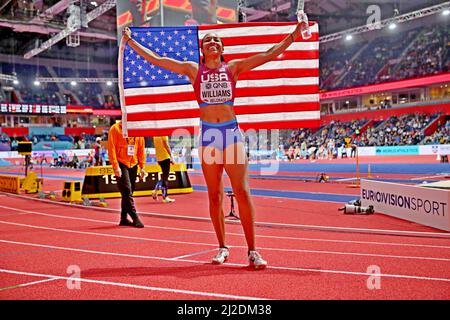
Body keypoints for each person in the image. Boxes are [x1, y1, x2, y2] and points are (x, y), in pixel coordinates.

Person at [123, 19, 306, 269]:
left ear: (222, 48)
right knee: (214, 196)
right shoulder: (192, 70)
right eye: (207, 40)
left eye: (216, 40)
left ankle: (253, 250)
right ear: (202, 49)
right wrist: (131, 42)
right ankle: (222, 247)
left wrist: (295, 34)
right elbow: (158, 60)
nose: (212, 42)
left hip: (230, 133)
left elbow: (269, 54)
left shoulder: (233, 68)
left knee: (241, 191)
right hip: (209, 135)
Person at [107, 120, 146, 228]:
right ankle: (135, 217)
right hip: (121, 164)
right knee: (127, 191)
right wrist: (115, 166)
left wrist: (142, 167)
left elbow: (141, 150)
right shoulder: (115, 129)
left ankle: (123, 218)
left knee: (128, 193)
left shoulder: (138, 131)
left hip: (133, 164)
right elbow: (111, 149)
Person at [152, 136, 175, 203]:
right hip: (165, 157)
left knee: (164, 176)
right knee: (165, 178)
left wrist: (157, 158)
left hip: (159, 157)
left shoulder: (155, 135)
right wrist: (171, 156)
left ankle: (156, 190)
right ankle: (165, 197)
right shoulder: (163, 134)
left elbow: (156, 146)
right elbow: (166, 145)